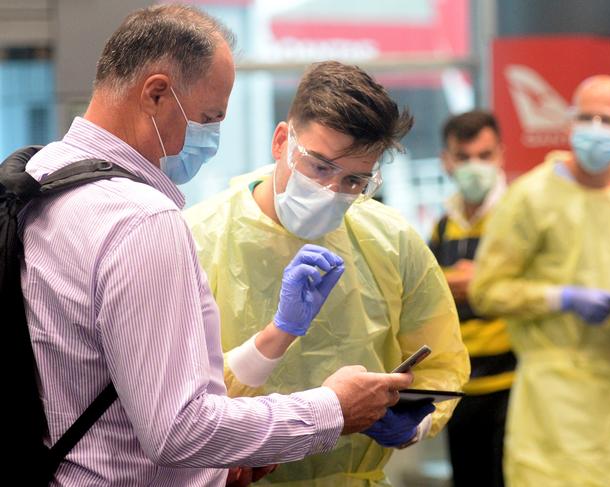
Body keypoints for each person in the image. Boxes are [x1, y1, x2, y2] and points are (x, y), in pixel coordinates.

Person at [18, 6, 415, 485]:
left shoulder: (39, 179)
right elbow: (177, 431)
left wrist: (219, 471)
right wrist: (331, 409)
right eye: (209, 118)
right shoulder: (142, 220)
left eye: (355, 180)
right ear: (157, 93)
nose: (213, 140)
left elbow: (91, 388)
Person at [184, 60, 469, 487]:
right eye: (319, 166)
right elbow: (177, 399)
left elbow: (442, 359)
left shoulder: (390, 240)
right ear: (282, 141)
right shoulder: (195, 238)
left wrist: (415, 424)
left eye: (355, 181)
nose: (331, 191)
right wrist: (274, 339)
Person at [470, 75, 610, 487]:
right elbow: (486, 290)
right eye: (586, 117)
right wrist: (560, 298)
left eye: (608, 119)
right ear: (569, 125)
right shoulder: (532, 196)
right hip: (554, 395)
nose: (596, 129)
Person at [428, 110, 512, 487]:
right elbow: (424, 290)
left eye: (485, 155)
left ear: (501, 156)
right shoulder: (443, 225)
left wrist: (484, 281)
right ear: (446, 160)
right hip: (458, 388)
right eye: (463, 157)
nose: (474, 166)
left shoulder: (517, 218)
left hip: (512, 383)